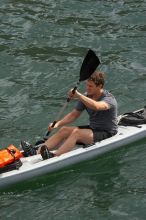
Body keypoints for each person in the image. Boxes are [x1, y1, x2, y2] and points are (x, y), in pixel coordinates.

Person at [21, 71, 118, 159]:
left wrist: (79, 95)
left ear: (100, 86)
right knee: (64, 130)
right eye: (87, 85)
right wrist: (57, 124)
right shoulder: (87, 96)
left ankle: (54, 155)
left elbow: (96, 106)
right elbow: (74, 115)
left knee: (76, 133)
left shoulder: (109, 99)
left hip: (107, 132)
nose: (87, 88)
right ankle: (36, 152)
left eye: (90, 86)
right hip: (93, 128)